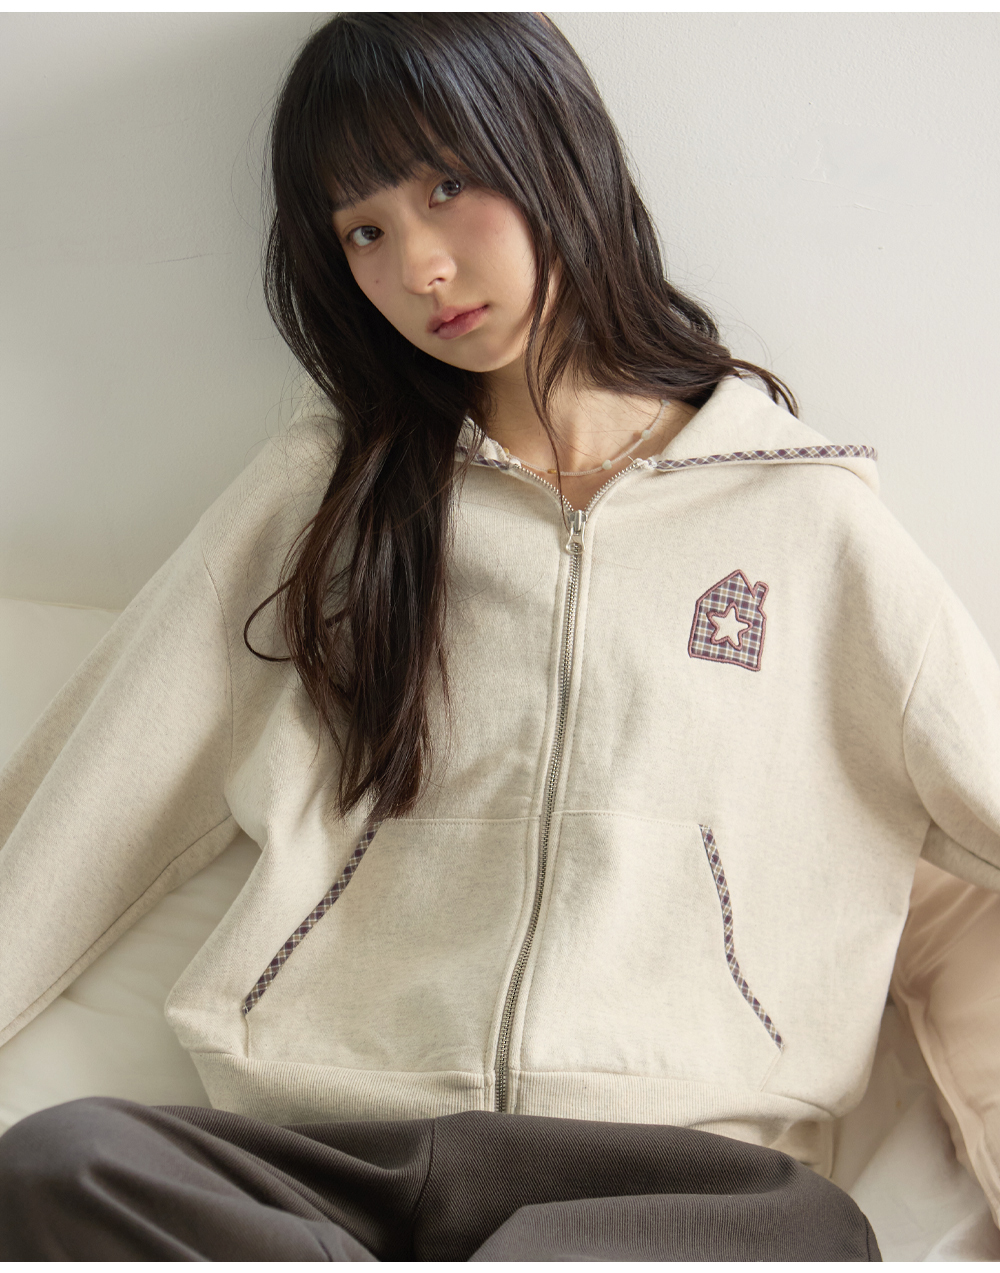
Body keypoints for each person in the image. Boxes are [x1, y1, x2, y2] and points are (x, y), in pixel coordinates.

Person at [0, 12, 996, 1261]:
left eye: (445, 187)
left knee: (806, 1238)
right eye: (363, 230)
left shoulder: (807, 525)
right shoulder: (325, 501)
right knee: (63, 1159)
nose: (418, 266)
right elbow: (92, 796)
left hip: (683, 1177)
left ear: (554, 152)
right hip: (337, 1161)